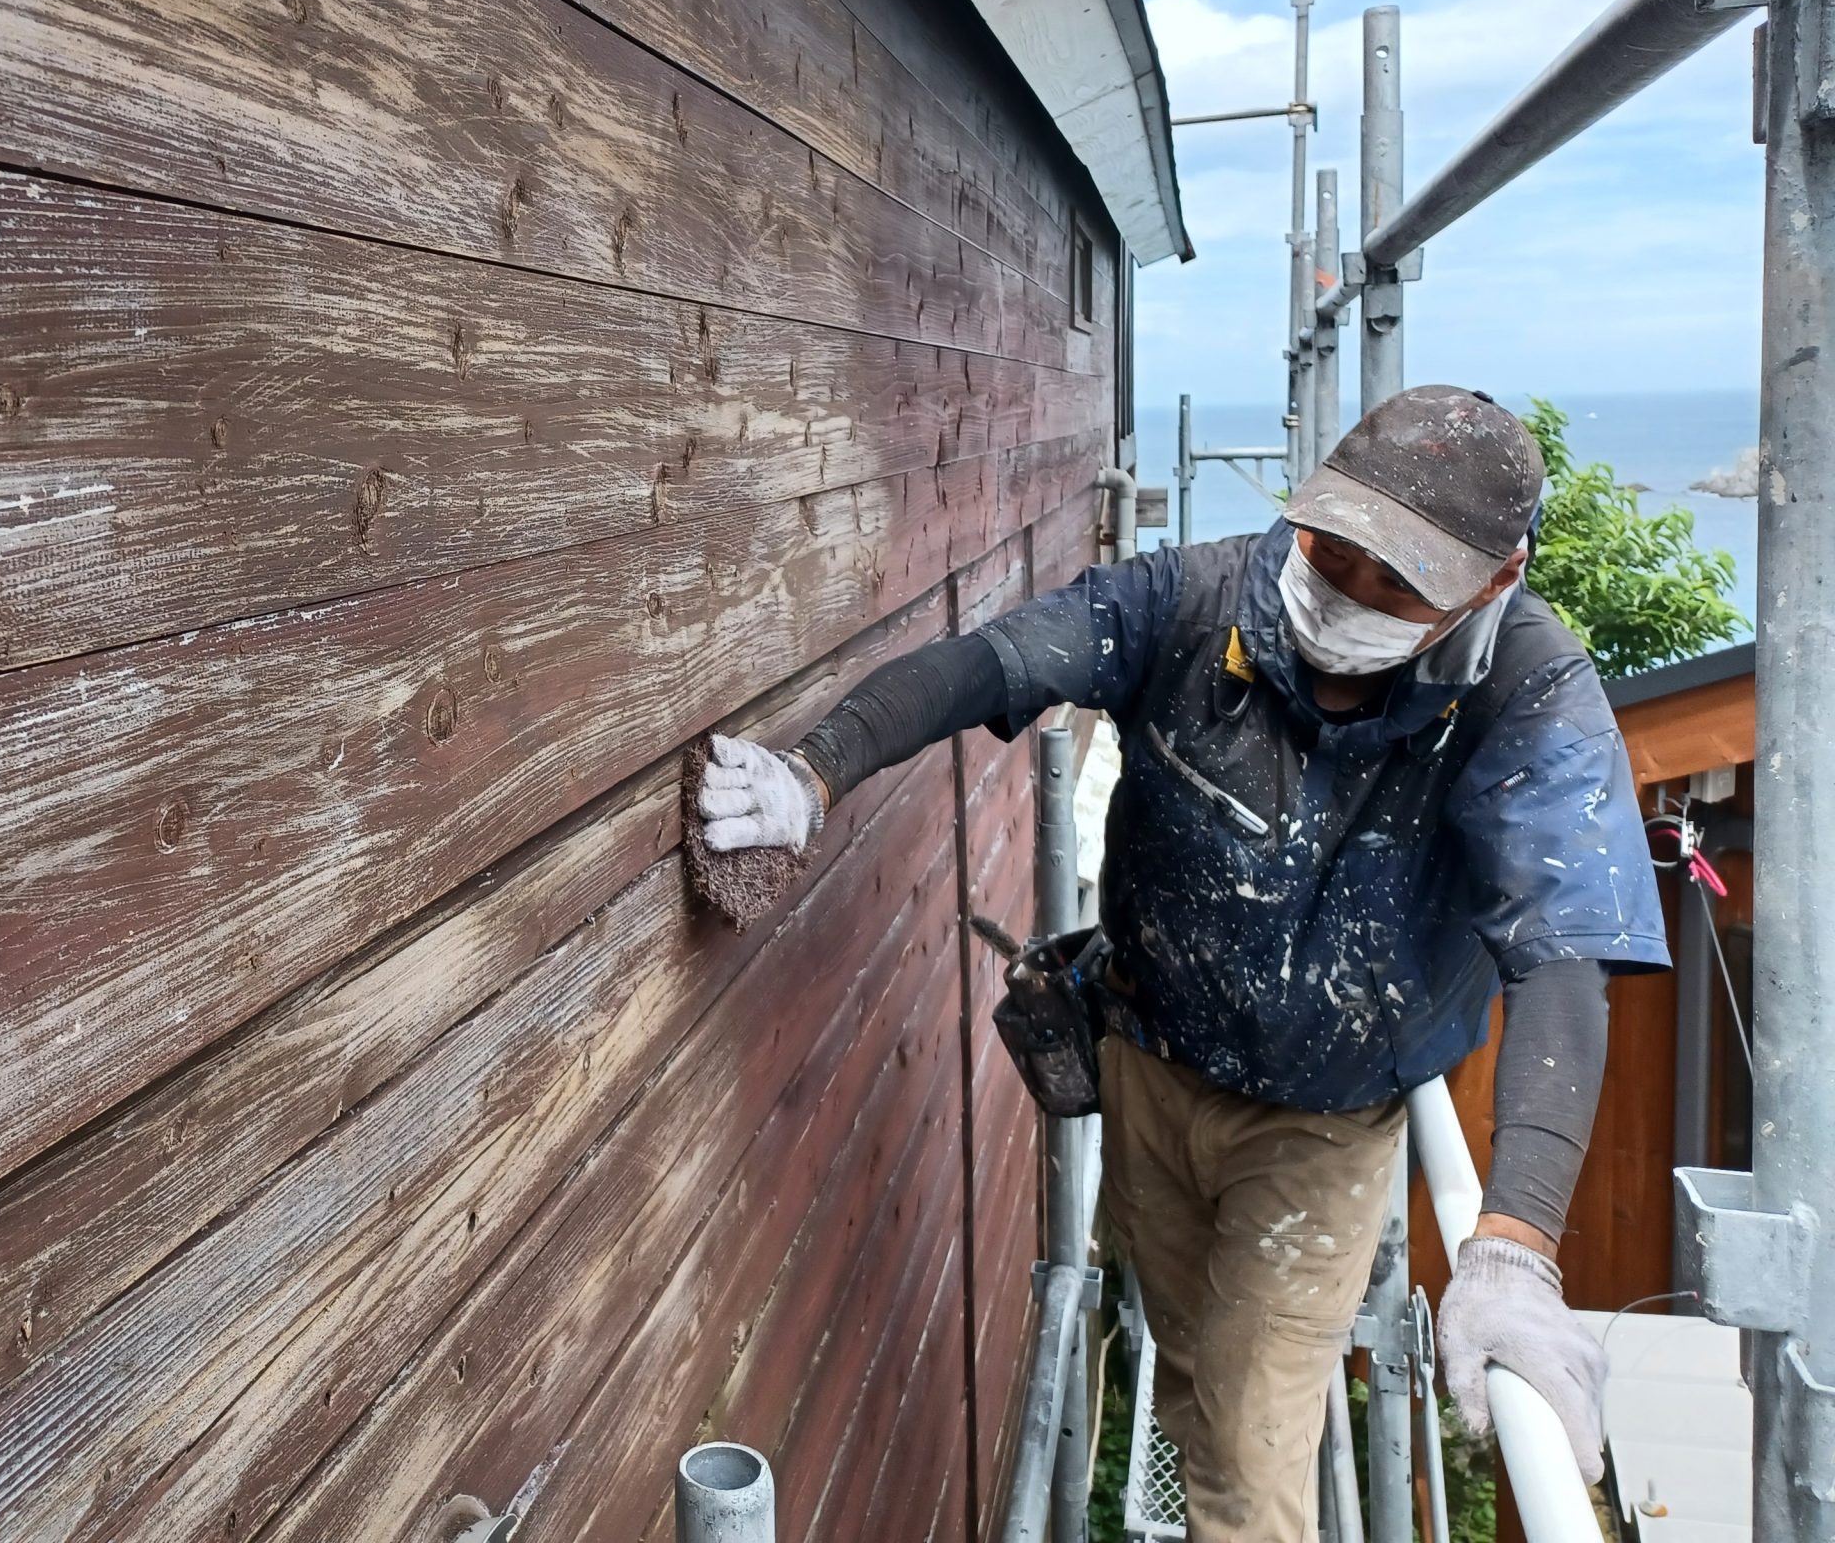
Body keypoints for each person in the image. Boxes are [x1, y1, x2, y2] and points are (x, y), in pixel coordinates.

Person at [696, 385, 1665, 1539]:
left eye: (1395, 582)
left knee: (1249, 1471)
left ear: (1494, 580)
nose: (1347, 592)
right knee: (1193, 1379)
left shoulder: (1526, 688)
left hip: (1321, 1128)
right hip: (1149, 1070)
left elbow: (1563, 954)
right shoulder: (1193, 600)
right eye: (1334, 549)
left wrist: (1513, 1242)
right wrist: (815, 772)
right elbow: (993, 664)